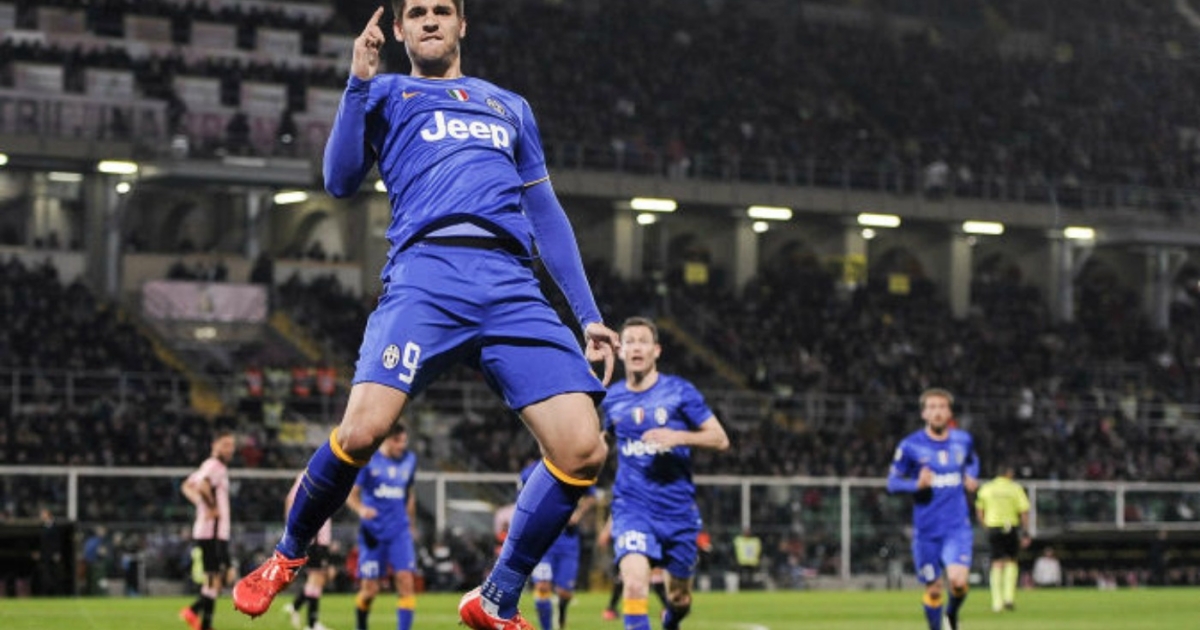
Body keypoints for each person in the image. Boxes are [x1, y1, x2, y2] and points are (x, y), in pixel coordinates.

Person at [231, 2, 620, 629]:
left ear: (463, 24)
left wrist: (588, 314)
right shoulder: (385, 93)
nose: (431, 20)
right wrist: (356, 84)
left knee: (583, 449)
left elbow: (545, 212)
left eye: (443, 10)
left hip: (511, 283)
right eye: (417, 12)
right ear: (400, 30)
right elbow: (339, 181)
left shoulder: (510, 106)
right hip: (426, 276)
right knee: (362, 431)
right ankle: (287, 554)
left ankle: (497, 596)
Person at [600, 316, 730, 630]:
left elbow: (720, 439)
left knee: (679, 598)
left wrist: (679, 436)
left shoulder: (680, 392)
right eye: (629, 341)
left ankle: (671, 622)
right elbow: (599, 445)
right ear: (620, 351)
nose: (636, 347)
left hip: (677, 512)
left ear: (656, 350)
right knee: (634, 586)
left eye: (643, 341)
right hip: (632, 508)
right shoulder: (611, 399)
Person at [886, 388, 979, 630]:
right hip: (926, 530)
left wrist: (971, 475)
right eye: (932, 407)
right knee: (934, 589)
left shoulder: (963, 440)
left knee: (958, 582)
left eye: (942, 407)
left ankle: (952, 616)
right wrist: (916, 485)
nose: (937, 412)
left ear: (950, 412)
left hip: (957, 527)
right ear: (924, 413)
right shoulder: (910, 446)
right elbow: (892, 483)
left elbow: (972, 460)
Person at [345, 422, 419, 630]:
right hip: (373, 532)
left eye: (404, 441)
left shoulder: (410, 460)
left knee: (405, 581)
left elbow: (409, 495)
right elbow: (352, 495)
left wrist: (411, 524)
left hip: (399, 531)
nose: (402, 446)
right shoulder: (369, 461)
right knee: (370, 590)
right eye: (397, 441)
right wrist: (361, 509)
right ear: (386, 440)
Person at [519, 458, 597, 630]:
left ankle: (561, 618)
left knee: (565, 592)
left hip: (568, 541)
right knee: (542, 585)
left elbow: (592, 497)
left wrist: (578, 514)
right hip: (542, 540)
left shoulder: (573, 467)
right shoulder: (530, 472)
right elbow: (522, 501)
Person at [179, 430, 236, 630]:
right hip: (213, 532)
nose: (230, 450)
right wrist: (211, 508)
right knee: (218, 578)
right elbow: (203, 486)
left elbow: (187, 485)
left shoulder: (209, 466)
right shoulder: (215, 466)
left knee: (214, 580)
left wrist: (200, 504)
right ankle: (197, 616)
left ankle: (200, 618)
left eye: (232, 446)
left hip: (211, 531)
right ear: (215, 445)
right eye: (226, 445)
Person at [283, 470, 337, 630]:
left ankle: (295, 607)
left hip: (322, 537)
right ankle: (311, 624)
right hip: (315, 537)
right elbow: (290, 500)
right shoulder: (309, 475)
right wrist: (294, 528)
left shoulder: (327, 474)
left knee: (318, 578)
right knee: (317, 578)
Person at [975, 464, 1031, 612]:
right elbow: (1024, 511)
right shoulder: (1015, 488)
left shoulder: (987, 488)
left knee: (996, 563)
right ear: (1008, 473)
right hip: (1010, 526)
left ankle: (997, 602)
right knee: (1011, 560)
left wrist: (985, 526)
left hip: (993, 526)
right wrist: (1025, 532)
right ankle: (1009, 598)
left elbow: (979, 511)